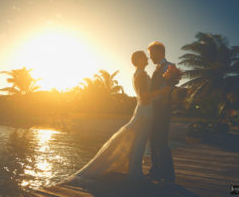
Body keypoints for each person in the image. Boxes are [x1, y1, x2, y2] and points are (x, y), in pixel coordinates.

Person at [64, 50, 172, 186]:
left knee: (139, 142)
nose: (148, 59)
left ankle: (135, 172)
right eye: (145, 57)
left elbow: (144, 96)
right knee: (139, 142)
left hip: (144, 111)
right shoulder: (142, 75)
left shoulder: (138, 74)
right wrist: (163, 91)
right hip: (145, 112)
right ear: (138, 59)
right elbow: (144, 97)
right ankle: (135, 174)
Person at [147, 41, 176, 183]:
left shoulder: (170, 67)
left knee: (162, 142)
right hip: (153, 108)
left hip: (163, 109)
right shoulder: (157, 68)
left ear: (159, 52)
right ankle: (155, 171)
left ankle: (168, 174)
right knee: (153, 140)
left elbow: (168, 89)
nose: (150, 57)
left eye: (151, 54)